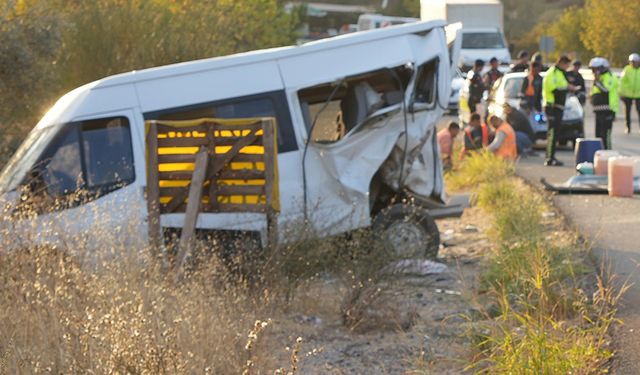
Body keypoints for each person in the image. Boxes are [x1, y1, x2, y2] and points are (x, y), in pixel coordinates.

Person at [542, 55, 578, 166]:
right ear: (562, 62)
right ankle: (549, 158)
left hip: (558, 107)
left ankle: (551, 156)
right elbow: (554, 89)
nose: (567, 67)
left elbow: (562, 86)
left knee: (555, 133)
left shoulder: (560, 73)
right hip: (552, 106)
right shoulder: (552, 73)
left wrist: (569, 87)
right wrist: (568, 88)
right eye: (566, 64)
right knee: (552, 133)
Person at [589, 57, 619, 150]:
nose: (594, 72)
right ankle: (599, 156)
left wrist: (597, 81)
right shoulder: (598, 78)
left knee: (605, 135)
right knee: (598, 136)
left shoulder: (610, 77)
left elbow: (605, 90)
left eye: (595, 69)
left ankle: (608, 154)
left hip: (607, 110)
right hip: (598, 111)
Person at [620, 53, 640, 134]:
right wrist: (621, 93)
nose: (632, 63)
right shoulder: (627, 69)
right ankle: (628, 127)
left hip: (639, 94)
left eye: (634, 62)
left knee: (639, 111)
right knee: (627, 111)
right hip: (627, 94)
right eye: (631, 62)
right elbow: (622, 81)